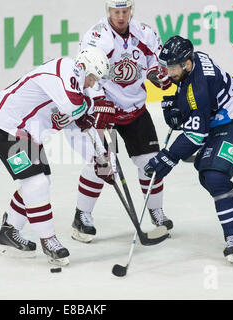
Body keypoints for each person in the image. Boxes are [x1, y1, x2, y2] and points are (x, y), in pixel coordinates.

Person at [0, 46, 114, 266]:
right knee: (36, 182)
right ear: (83, 67)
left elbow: (78, 126)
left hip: (24, 133)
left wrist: (101, 158)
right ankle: (48, 239)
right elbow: (73, 106)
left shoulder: (76, 86)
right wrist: (91, 108)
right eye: (91, 78)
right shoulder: (67, 69)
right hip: (3, 128)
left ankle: (9, 232)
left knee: (40, 182)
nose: (91, 84)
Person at [144, 36, 233, 264]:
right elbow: (196, 103)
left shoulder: (197, 88)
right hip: (224, 115)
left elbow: (197, 134)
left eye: (172, 67)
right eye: (166, 66)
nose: (168, 73)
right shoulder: (194, 61)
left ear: (187, 64)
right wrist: (179, 108)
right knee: (208, 175)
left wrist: (167, 158)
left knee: (216, 175)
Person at [70, 0, 173, 243]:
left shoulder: (145, 33)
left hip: (136, 110)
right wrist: (98, 99)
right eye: (116, 11)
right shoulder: (96, 37)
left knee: (151, 164)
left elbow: (156, 63)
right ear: (108, 11)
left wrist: (156, 74)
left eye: (125, 11)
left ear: (131, 10)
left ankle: (156, 212)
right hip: (106, 111)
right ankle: (81, 216)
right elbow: (85, 73)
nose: (121, 16)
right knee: (102, 164)